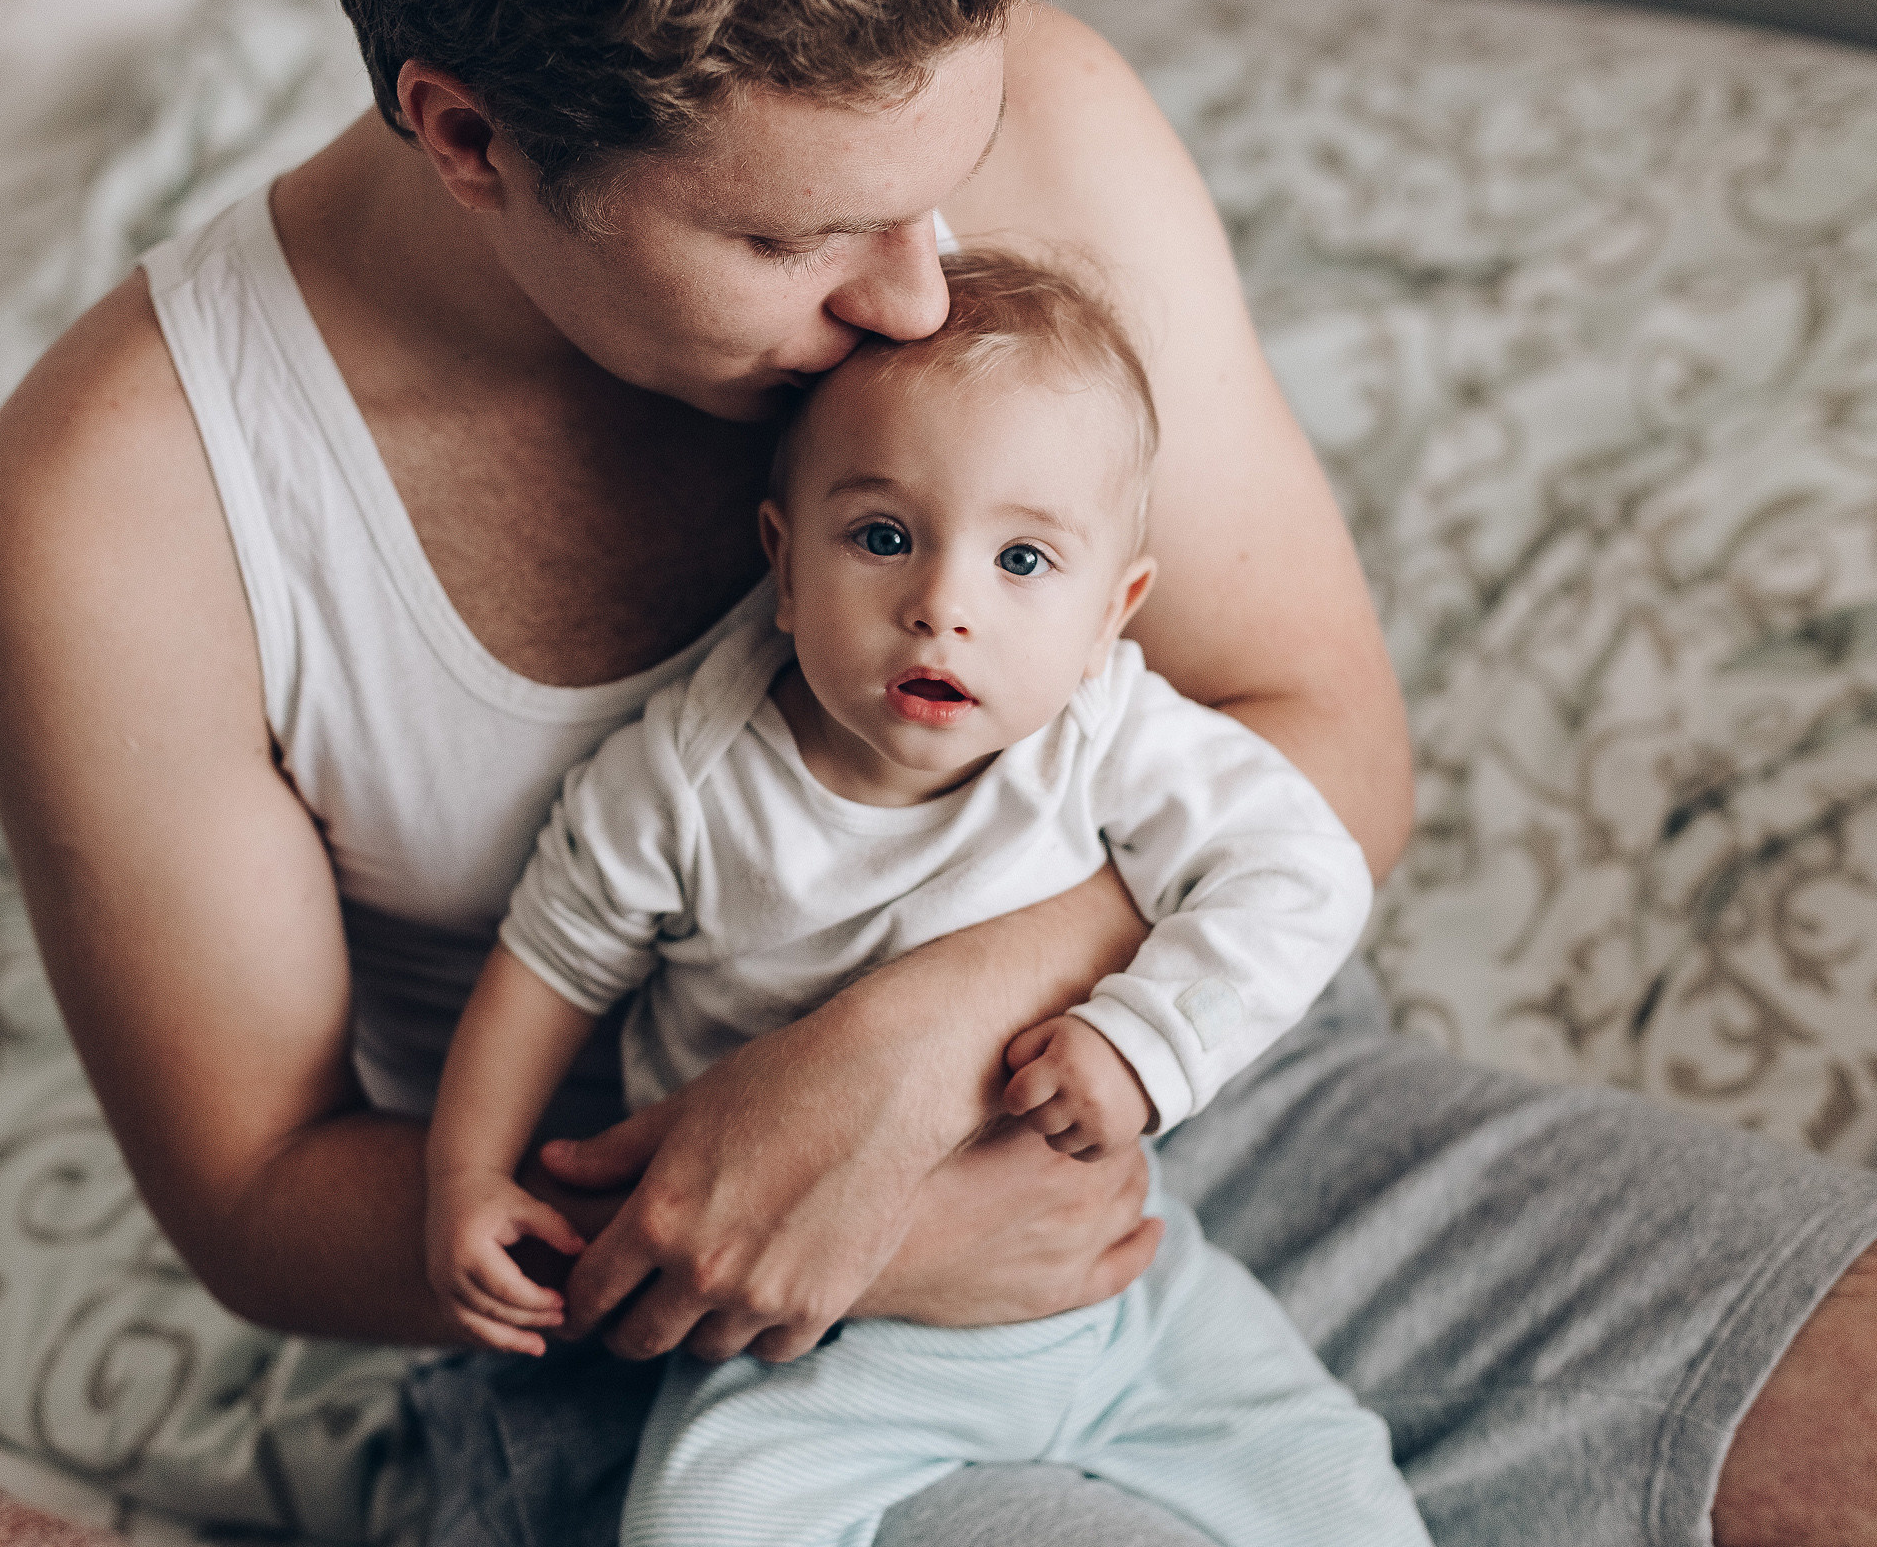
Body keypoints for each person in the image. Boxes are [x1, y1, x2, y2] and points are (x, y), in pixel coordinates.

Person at [0, 0, 1877, 1542]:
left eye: (941, 185)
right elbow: (255, 1191)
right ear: (467, 137)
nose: (920, 288)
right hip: (688, 1348)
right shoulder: (124, 510)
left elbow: (1317, 729)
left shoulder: (1029, 130)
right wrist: (823, 1228)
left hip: (1212, 1103)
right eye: (792, 241)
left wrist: (919, 1046)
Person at [423, 248, 1431, 1547]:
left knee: (1339, 1491)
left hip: (1122, 1299)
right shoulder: (685, 777)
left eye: (1024, 562)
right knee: (696, 1516)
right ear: (784, 566)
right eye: (884, 539)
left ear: (1110, 612)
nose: (943, 605)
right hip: (822, 1349)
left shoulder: (1110, 732)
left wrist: (1145, 1042)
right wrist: (465, 1170)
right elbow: (546, 965)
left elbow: (1301, 870)